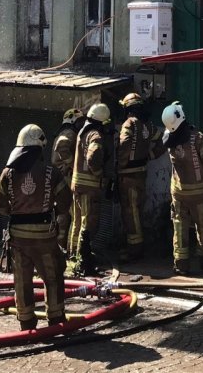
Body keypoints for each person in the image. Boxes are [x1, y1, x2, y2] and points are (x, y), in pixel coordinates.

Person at [0, 124, 70, 330]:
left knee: (22, 280)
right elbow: (65, 202)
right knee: (52, 277)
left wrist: (15, 212)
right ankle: (55, 318)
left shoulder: (8, 173)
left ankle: (26, 321)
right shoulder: (51, 173)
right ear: (40, 148)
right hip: (45, 236)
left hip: (18, 238)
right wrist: (51, 207)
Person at [156, 101, 203, 274]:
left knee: (179, 225)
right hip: (199, 191)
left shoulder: (168, 138)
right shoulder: (196, 137)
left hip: (178, 191)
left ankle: (181, 263)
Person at [70, 102, 113, 275]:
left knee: (77, 221)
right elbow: (93, 156)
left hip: (78, 184)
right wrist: (99, 172)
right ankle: (84, 261)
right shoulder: (95, 134)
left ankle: (73, 257)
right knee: (88, 223)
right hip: (89, 186)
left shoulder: (83, 131)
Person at [116, 92, 157, 261]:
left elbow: (125, 143)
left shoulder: (128, 124)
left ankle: (134, 250)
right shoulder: (148, 125)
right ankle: (137, 246)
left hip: (128, 176)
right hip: (142, 173)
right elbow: (162, 142)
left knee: (130, 212)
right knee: (137, 210)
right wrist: (150, 155)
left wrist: (121, 163)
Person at [51, 108, 84, 251]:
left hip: (60, 177)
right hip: (66, 177)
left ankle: (60, 246)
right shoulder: (69, 133)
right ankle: (69, 249)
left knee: (63, 214)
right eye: (79, 121)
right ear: (71, 120)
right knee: (72, 213)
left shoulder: (64, 132)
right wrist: (73, 164)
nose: (81, 124)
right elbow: (62, 147)